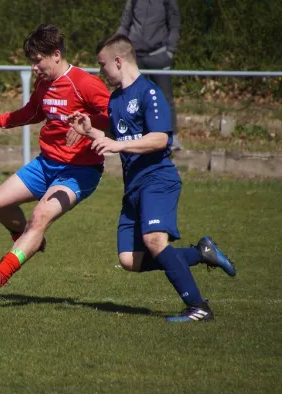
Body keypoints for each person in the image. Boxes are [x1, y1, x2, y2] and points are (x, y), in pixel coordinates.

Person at [67, 34, 236, 323]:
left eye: (102, 64)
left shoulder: (150, 93)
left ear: (118, 61)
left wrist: (118, 145)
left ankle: (199, 307)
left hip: (157, 179)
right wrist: (90, 132)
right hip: (133, 185)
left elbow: (159, 139)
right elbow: (120, 137)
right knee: (130, 259)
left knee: (155, 240)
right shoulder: (117, 99)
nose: (101, 72)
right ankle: (201, 254)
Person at [0, 23, 110, 298]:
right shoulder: (44, 84)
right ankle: (31, 241)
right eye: (31, 62)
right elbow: (33, 112)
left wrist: (88, 123)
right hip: (46, 164)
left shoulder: (85, 83)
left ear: (56, 55)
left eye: (38, 61)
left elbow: (116, 117)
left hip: (80, 171)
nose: (34, 67)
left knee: (39, 216)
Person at [116, 0, 183, 151]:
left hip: (159, 54)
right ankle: (127, 134)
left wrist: (170, 51)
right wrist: (115, 48)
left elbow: (175, 25)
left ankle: (173, 138)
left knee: (165, 97)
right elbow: (124, 24)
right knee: (129, 96)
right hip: (134, 56)